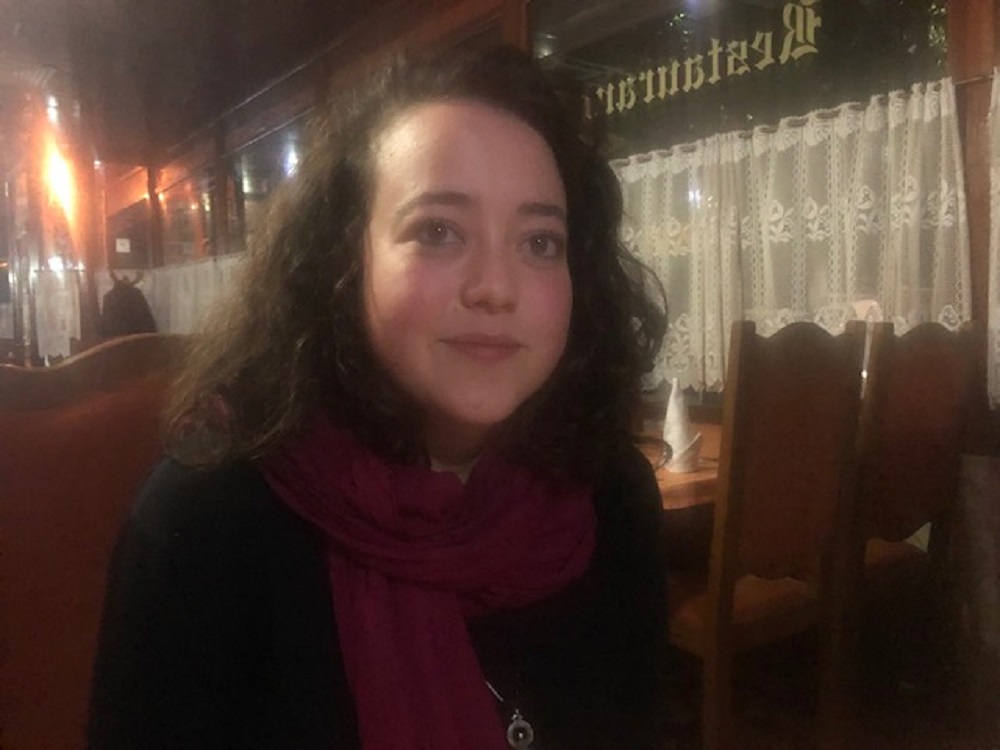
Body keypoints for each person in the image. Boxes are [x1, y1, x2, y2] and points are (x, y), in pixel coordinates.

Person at [87, 44, 669, 750]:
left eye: (540, 242)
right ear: (345, 260)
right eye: (438, 231)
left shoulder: (610, 497)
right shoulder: (205, 526)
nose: (497, 287)